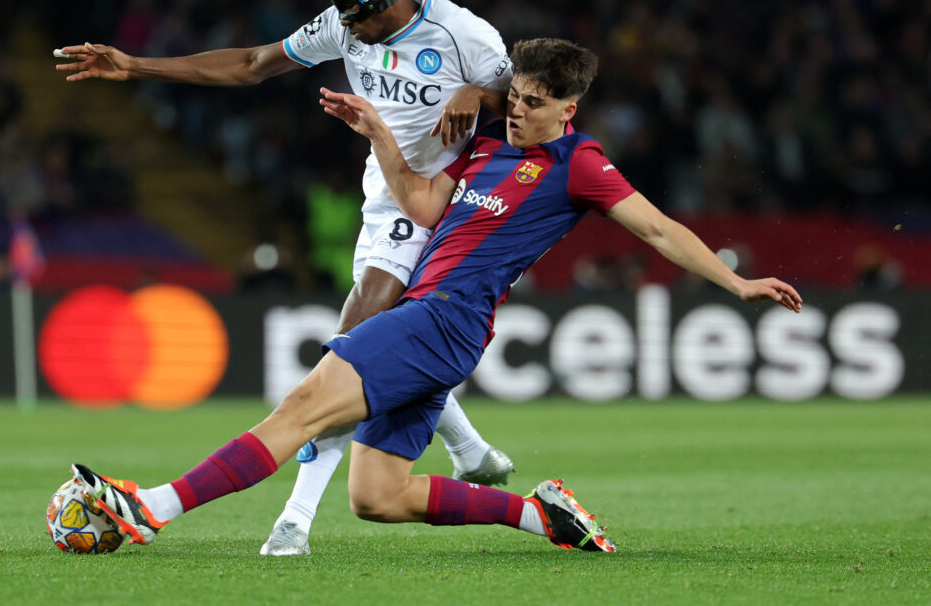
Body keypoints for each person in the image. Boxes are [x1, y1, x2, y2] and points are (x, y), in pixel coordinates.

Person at [71, 37, 802, 556]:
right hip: (442, 329)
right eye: (513, 95)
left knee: (301, 407)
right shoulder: (488, 149)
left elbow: (660, 228)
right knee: (378, 497)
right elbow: (423, 206)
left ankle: (149, 509)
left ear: (568, 108)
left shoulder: (579, 163)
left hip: (443, 317)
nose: (516, 110)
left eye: (534, 102)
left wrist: (735, 282)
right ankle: (536, 513)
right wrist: (381, 135)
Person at [55, 0, 515, 556]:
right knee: (383, 348)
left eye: (347, 3)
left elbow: (534, 110)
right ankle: (469, 450)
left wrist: (477, 96)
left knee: (355, 346)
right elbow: (251, 64)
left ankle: (294, 520)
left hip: (449, 206)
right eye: (333, 6)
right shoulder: (346, 26)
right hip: (387, 202)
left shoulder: (465, 36)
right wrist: (135, 66)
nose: (338, 18)